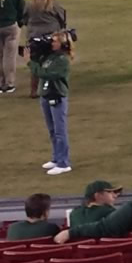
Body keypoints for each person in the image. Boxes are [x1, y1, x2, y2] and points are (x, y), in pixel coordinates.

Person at [32, 29, 73, 175]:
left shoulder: (62, 60)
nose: (51, 43)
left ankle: (64, 162)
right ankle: (56, 157)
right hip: (46, 94)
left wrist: (31, 64)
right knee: (52, 130)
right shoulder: (50, 57)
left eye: (55, 41)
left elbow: (46, 74)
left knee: (60, 131)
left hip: (57, 96)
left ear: (62, 44)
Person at [24, 0, 68, 98]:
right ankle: (50, 88)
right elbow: (62, 18)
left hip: (34, 37)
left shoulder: (30, 4)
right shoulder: (53, 4)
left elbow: (24, 18)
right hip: (51, 38)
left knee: (35, 62)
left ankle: (33, 90)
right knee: (51, 63)